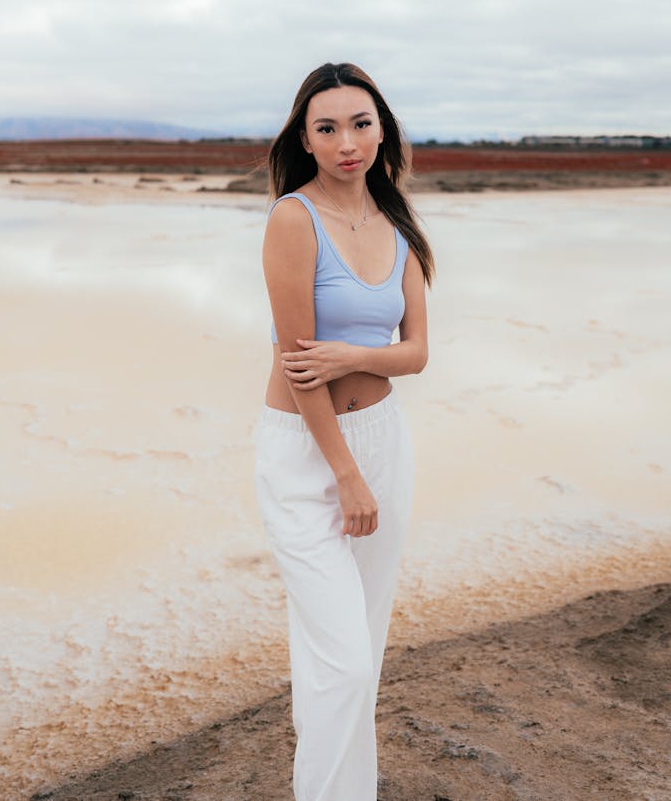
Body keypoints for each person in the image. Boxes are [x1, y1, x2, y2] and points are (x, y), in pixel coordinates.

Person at [253, 61, 434, 801]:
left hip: (385, 439)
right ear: (306, 137)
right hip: (306, 453)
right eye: (327, 127)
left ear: (382, 126)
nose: (347, 140)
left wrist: (358, 354)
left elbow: (416, 351)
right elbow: (300, 366)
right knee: (343, 661)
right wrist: (345, 474)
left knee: (362, 652)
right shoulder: (293, 219)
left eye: (360, 122)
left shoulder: (397, 226)